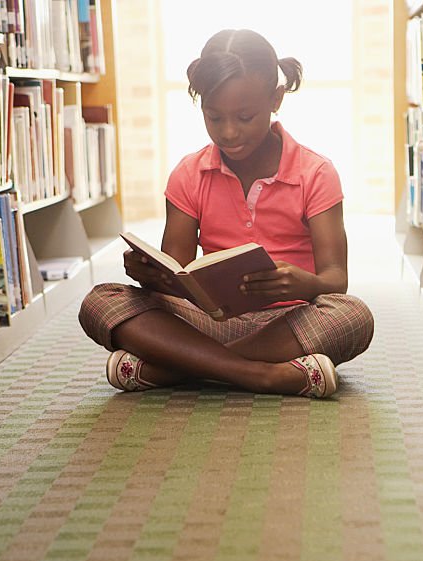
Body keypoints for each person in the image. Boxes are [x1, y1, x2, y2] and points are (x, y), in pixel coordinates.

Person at [79, 29, 373, 398]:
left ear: (276, 99)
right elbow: (177, 272)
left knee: (353, 315)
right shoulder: (190, 172)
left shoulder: (316, 172)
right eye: (214, 117)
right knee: (100, 301)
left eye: (245, 117)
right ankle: (262, 376)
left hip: (288, 323)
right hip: (206, 321)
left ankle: (172, 369)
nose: (229, 132)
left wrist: (303, 283)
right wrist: (150, 274)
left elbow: (336, 279)